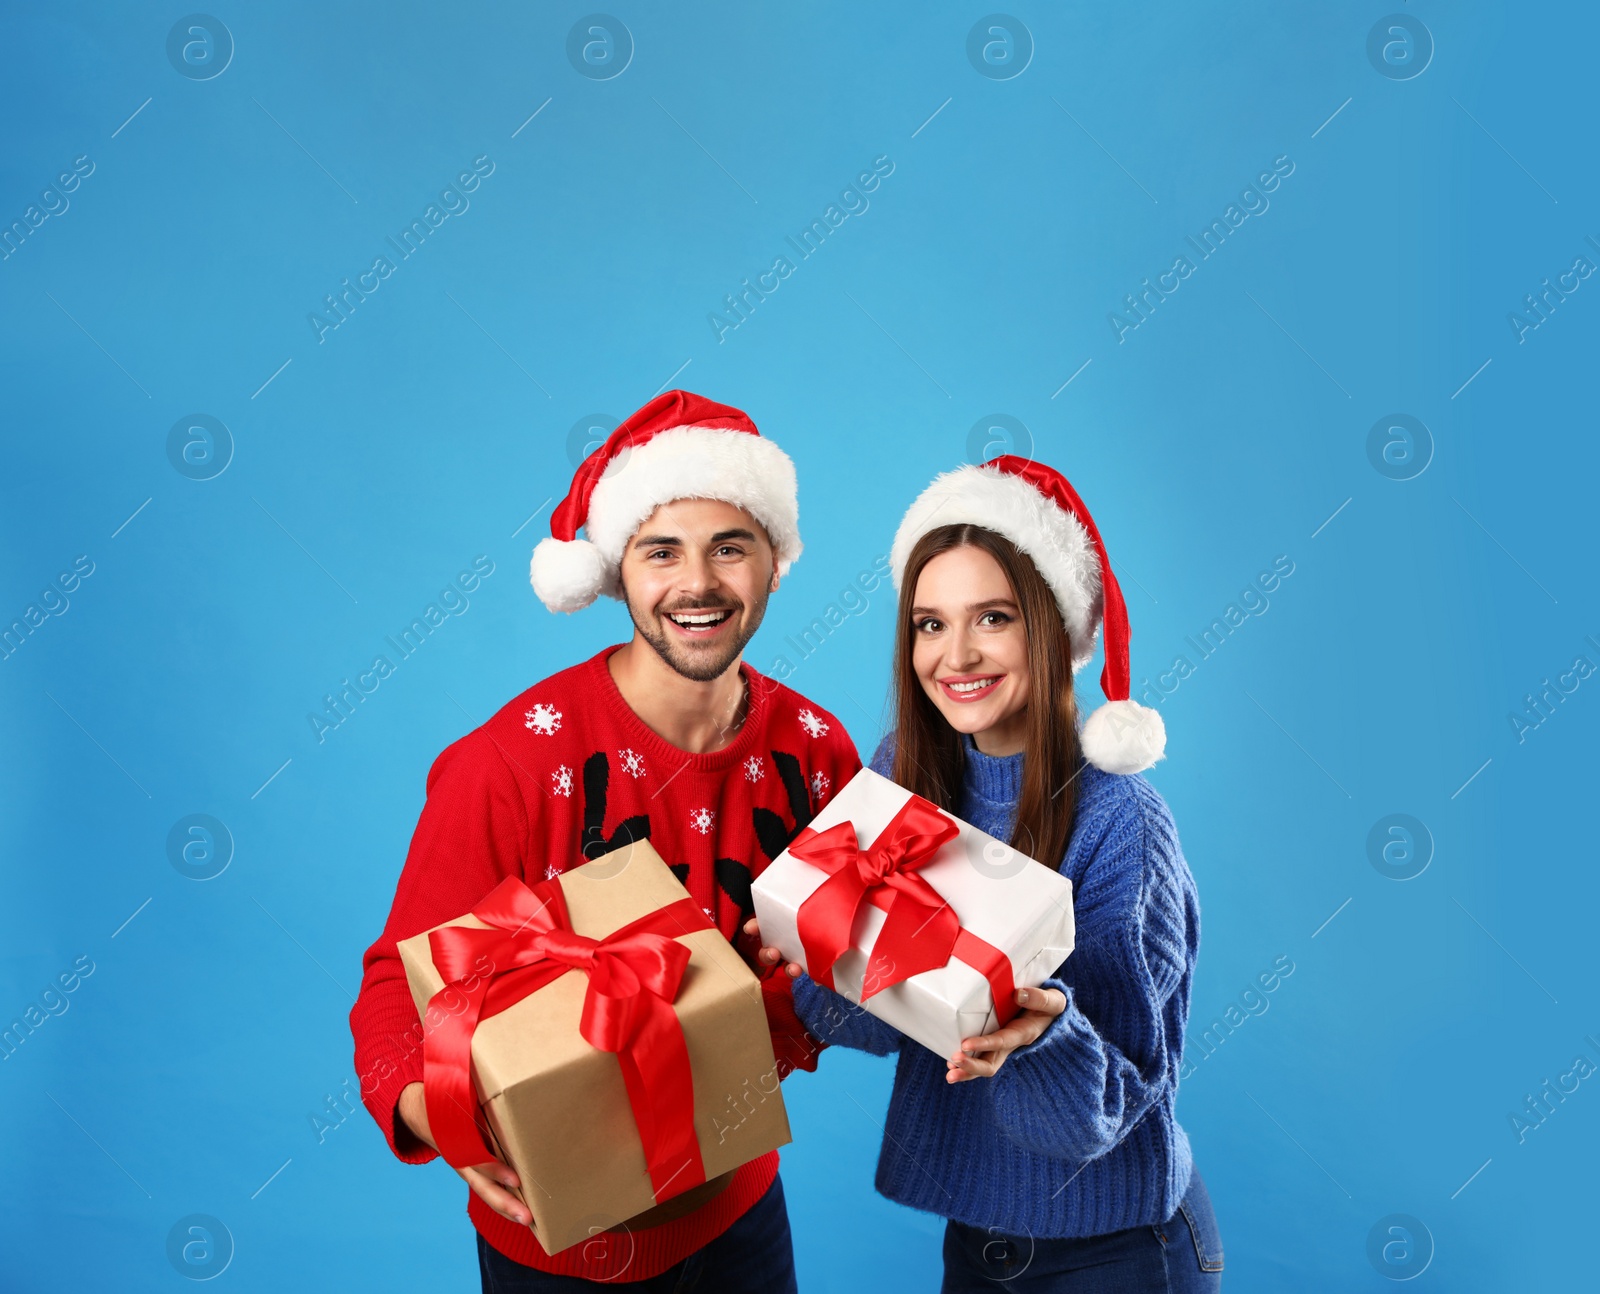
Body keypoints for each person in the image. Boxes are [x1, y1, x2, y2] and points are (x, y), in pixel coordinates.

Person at [349, 390, 861, 1292]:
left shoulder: (817, 753)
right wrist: (451, 1123)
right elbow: (398, 983)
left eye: (729, 546)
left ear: (775, 562)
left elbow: (846, 974)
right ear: (616, 571)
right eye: (660, 551)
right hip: (558, 1250)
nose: (697, 583)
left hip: (741, 1213)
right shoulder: (506, 764)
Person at [749, 455, 1223, 1291]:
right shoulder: (902, 773)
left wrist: (1043, 1036)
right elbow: (883, 1022)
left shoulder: (1122, 825)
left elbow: (1104, 1111)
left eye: (992, 618)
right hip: (975, 1237)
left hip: (1115, 1248)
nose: (955, 654)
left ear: (1051, 626)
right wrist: (813, 952)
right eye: (929, 624)